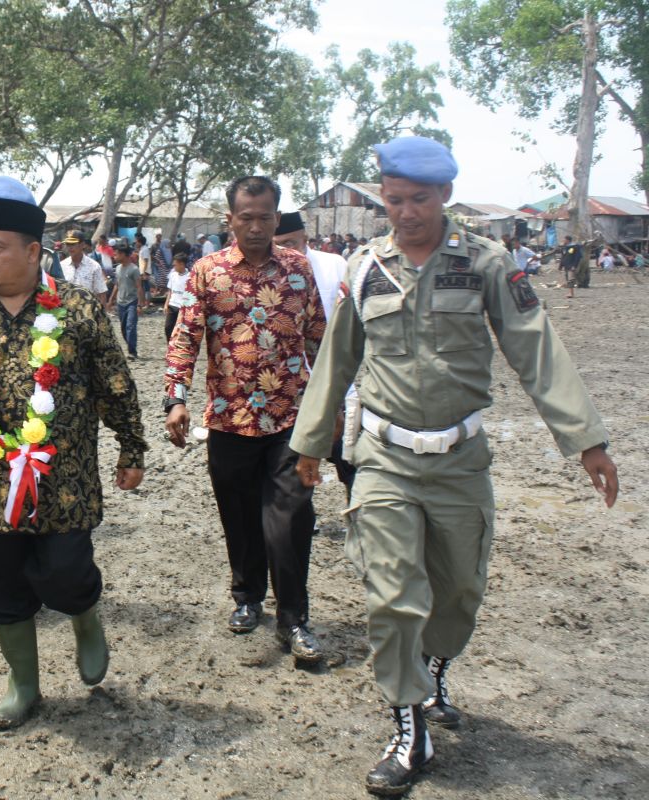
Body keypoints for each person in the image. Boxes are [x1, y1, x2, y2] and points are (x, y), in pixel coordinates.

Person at [288, 136, 619, 796]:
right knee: (391, 593)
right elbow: (338, 359)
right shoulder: (366, 266)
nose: (405, 213)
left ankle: (436, 668)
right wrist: (310, 441)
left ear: (444, 194)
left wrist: (586, 440)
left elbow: (535, 349)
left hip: (461, 458)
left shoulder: (488, 262)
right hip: (383, 455)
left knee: (459, 591)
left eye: (418, 199)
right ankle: (409, 727)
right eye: (393, 200)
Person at [0, 176, 146, 729]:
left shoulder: (79, 311)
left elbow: (116, 385)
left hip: (64, 482)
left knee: (63, 573)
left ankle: (85, 616)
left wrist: (130, 447)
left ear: (33, 251)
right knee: (0, 584)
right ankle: (24, 683)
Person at [163, 176, 326, 665]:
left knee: (291, 520)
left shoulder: (300, 272)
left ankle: (294, 617)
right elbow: (184, 338)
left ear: (278, 218)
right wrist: (176, 398)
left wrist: (335, 403)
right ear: (230, 219)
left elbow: (321, 339)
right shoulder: (205, 273)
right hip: (229, 420)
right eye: (246, 217)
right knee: (239, 516)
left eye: (265, 217)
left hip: (290, 420)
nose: (256, 227)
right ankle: (248, 597)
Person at [273, 212, 357, 498]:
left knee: (350, 458)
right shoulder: (271, 275)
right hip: (296, 385)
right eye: (280, 244)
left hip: (339, 381)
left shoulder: (335, 265)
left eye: (291, 242)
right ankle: (306, 519)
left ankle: (357, 516)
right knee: (299, 459)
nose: (287, 251)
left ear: (305, 238)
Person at [105, 241, 146, 359]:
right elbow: (117, 285)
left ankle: (132, 351)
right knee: (123, 328)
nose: (114, 256)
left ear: (123, 254)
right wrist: (111, 300)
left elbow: (139, 287)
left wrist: (140, 305)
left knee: (130, 326)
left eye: (116, 254)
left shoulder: (134, 269)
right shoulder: (117, 269)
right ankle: (131, 345)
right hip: (120, 303)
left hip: (132, 302)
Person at [59, 230, 107, 302]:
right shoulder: (61, 266)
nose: (70, 247)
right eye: (68, 244)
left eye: (73, 244)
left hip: (88, 311)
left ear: (83, 244)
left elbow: (101, 294)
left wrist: (103, 312)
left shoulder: (94, 267)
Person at [164, 253, 189, 340]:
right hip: (172, 305)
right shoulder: (173, 274)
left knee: (180, 330)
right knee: (168, 328)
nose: (174, 266)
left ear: (182, 264)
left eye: (175, 265)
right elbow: (170, 290)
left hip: (182, 307)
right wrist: (166, 304)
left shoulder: (189, 277)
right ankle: (170, 346)